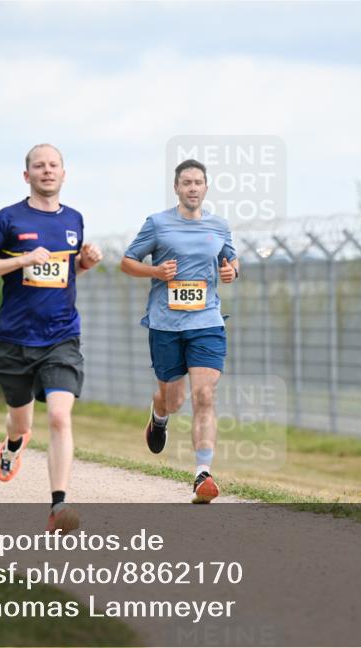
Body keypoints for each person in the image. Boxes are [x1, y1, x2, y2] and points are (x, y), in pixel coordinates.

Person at [0, 143, 102, 533]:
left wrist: (85, 263)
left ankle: (59, 505)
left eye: (54, 165)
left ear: (64, 173)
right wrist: (22, 260)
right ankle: (13, 445)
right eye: (39, 166)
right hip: (14, 339)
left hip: (61, 336)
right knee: (22, 424)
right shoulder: (8, 218)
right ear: (26, 175)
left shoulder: (75, 219)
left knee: (59, 417)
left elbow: (67, 271)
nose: (47, 171)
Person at [120, 158, 239, 504]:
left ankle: (202, 473)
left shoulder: (218, 226)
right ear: (176, 187)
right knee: (174, 399)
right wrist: (156, 272)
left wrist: (232, 271)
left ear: (205, 187)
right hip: (166, 324)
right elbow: (127, 262)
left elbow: (230, 261)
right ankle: (159, 417)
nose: (192, 188)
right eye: (185, 182)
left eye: (197, 182)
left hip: (207, 322)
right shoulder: (157, 224)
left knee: (204, 395)